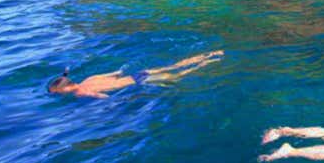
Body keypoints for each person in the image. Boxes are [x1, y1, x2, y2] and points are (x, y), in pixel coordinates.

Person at [47, 50, 224, 98]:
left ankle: (208, 62)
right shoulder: (89, 78)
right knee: (175, 66)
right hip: (137, 74)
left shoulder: (81, 93)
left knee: (183, 74)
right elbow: (116, 73)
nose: (59, 94)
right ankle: (210, 54)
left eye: (58, 92)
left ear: (66, 88)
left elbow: (105, 98)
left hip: (141, 82)